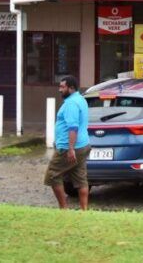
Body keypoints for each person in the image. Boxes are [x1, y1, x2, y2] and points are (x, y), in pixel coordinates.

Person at [44, 75, 91, 210]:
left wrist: (70, 149)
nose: (60, 89)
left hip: (68, 148)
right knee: (80, 178)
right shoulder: (81, 99)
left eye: (62, 87)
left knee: (53, 175)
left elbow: (73, 127)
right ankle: (84, 210)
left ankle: (63, 209)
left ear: (71, 88)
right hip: (83, 145)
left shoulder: (71, 104)